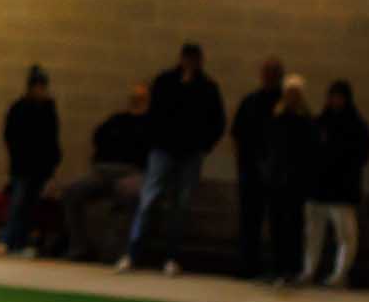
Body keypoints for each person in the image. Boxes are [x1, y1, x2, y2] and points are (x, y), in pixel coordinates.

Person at [119, 42, 226, 276]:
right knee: (149, 199)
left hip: (189, 152)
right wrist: (155, 138)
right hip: (163, 149)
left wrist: (203, 145)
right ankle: (133, 252)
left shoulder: (207, 87)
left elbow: (216, 121)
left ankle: (172, 256)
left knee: (181, 204)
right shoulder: (165, 82)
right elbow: (155, 112)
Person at [59, 83, 150, 262]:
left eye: (141, 96)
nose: (136, 99)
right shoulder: (116, 120)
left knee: (126, 193)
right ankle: (79, 246)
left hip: (132, 172)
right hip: (103, 170)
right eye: (134, 96)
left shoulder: (150, 123)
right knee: (72, 192)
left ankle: (116, 253)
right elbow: (98, 138)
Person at [301, 80, 369, 287]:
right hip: (318, 188)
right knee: (313, 233)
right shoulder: (320, 122)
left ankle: (339, 275)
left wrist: (343, 168)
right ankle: (309, 270)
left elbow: (363, 153)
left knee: (345, 235)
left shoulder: (357, 126)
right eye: (333, 96)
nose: (335, 100)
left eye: (339, 96)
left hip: (341, 190)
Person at [0, 65, 60, 258]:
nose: (40, 90)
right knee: (17, 203)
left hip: (40, 168)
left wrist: (51, 166)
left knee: (30, 207)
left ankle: (21, 242)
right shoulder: (19, 108)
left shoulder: (49, 110)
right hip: (22, 165)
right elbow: (11, 135)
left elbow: (52, 140)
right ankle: (6, 240)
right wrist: (18, 156)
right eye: (37, 86)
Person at [230, 56, 286, 278]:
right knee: (249, 221)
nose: (269, 77)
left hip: (277, 173)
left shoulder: (286, 104)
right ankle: (247, 266)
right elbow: (236, 135)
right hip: (250, 171)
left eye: (273, 73)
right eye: (266, 72)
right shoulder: (250, 102)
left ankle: (278, 268)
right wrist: (242, 166)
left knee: (278, 223)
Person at [259, 74, 318, 283]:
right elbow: (268, 147)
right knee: (276, 225)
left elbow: (310, 151)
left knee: (293, 226)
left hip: (296, 182)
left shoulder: (307, 120)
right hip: (276, 179)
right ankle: (276, 267)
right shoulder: (276, 117)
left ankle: (291, 268)